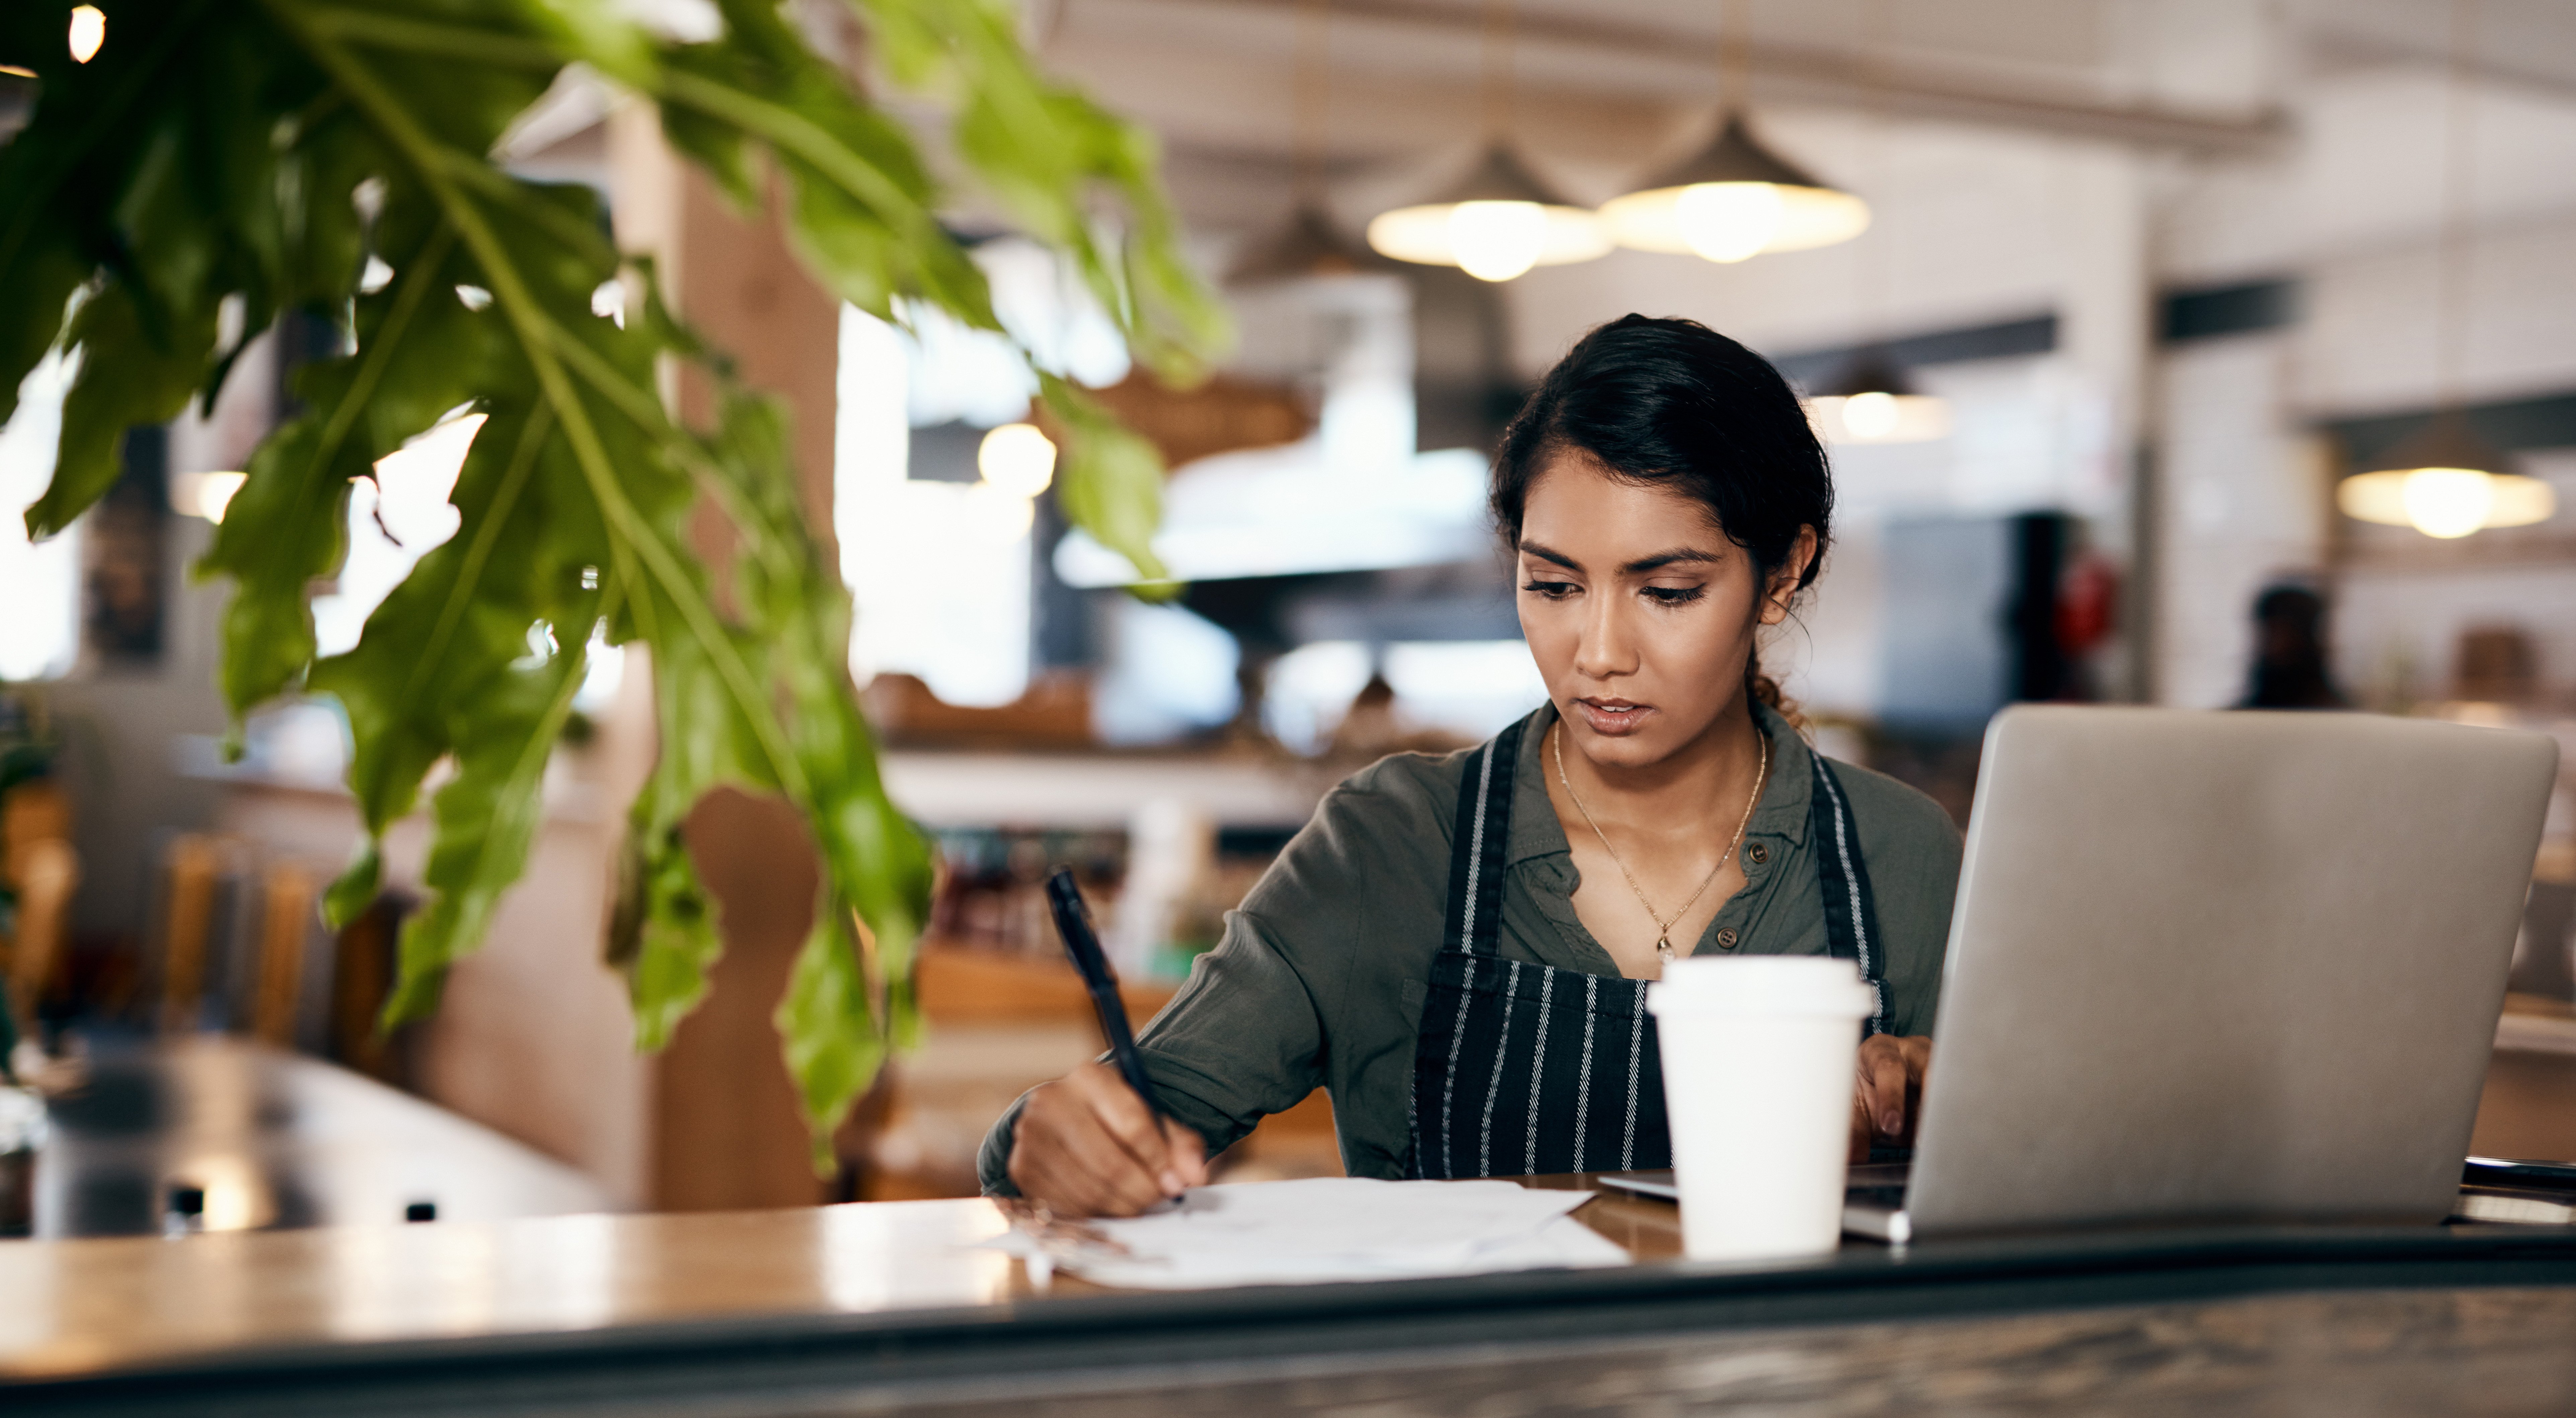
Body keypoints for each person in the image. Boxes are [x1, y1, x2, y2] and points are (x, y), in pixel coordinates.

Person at [982, 315, 1964, 1216]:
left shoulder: (1900, 857)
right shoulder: (1393, 844)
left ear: (1783, 571)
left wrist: (1942, 1107)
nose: (1598, 649)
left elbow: (2046, 1177)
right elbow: (1117, 1120)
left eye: (1666, 590)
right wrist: (1057, 1141)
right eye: (1551, 584)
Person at [2236, 583, 2348, 710]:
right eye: (2270, 632)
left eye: (2286, 632)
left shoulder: (2341, 715)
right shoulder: (2241, 715)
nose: (2277, 645)